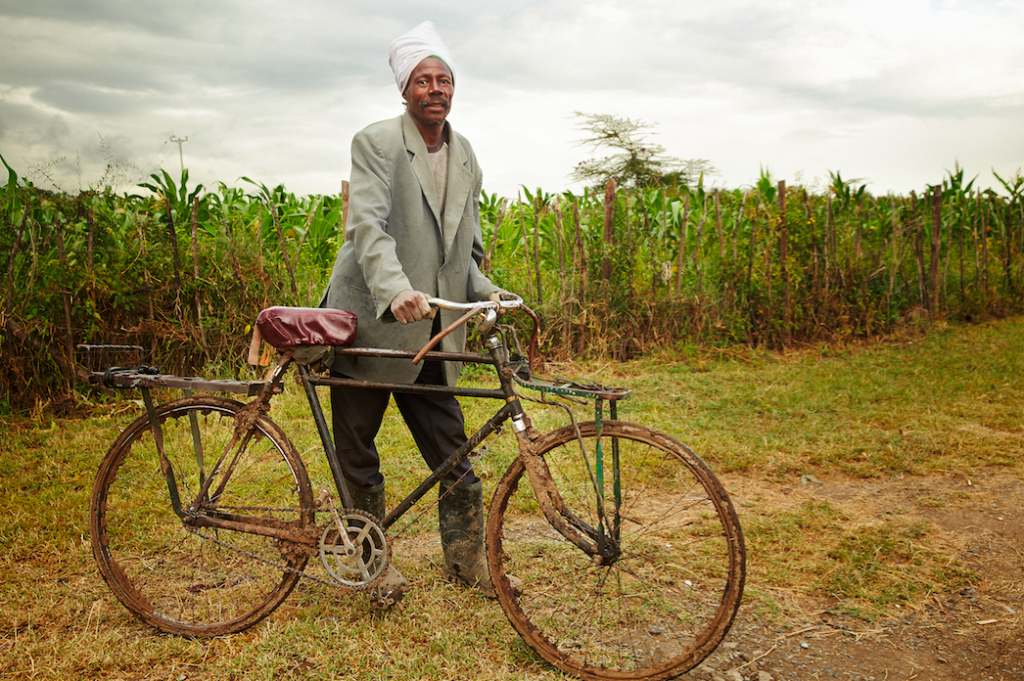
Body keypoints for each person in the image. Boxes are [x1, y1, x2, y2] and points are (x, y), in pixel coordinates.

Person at [320, 21, 505, 605]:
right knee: (357, 449)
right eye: (422, 80)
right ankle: (371, 563)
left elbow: (464, 253)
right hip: (374, 320)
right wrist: (396, 289)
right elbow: (367, 228)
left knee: (452, 450)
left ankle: (466, 557)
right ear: (404, 89)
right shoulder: (376, 143)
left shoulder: (466, 153)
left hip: (431, 332)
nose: (435, 88)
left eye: (443, 79)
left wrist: (489, 293)